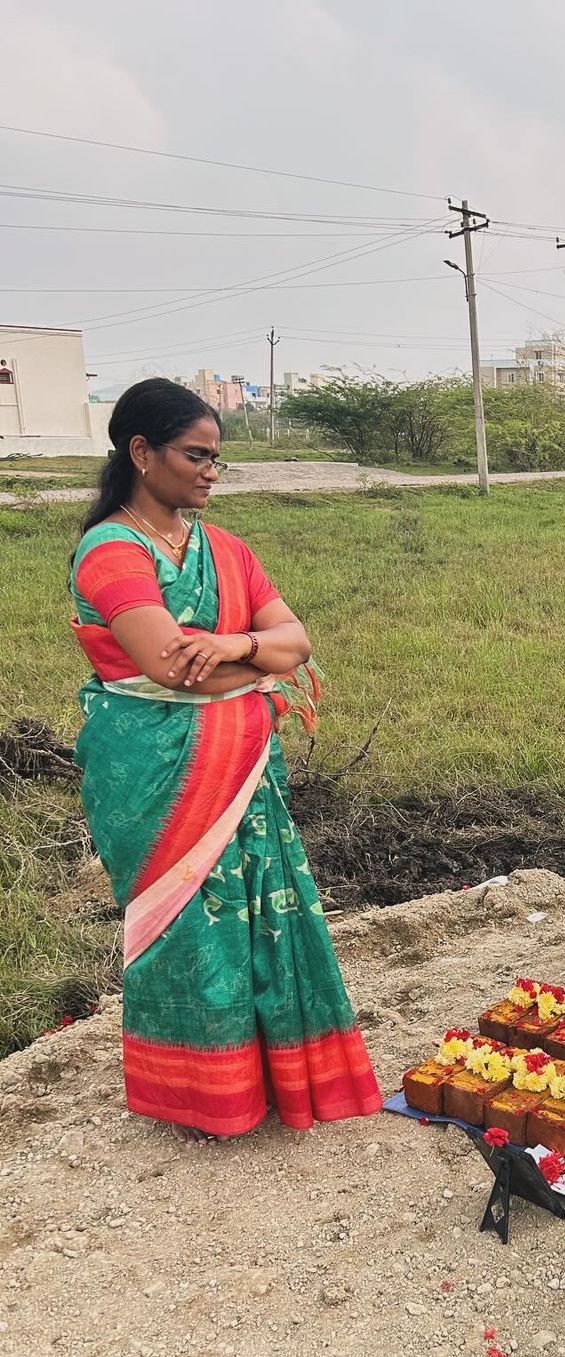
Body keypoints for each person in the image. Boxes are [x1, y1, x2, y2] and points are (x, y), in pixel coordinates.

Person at [68, 378, 383, 1140]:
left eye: (218, 458)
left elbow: (294, 641)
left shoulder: (227, 552)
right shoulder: (110, 552)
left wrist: (234, 646)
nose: (212, 471)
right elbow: (170, 667)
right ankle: (203, 1099)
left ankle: (271, 1081)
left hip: (241, 768)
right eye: (196, 455)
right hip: (158, 776)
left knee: (263, 915)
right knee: (190, 929)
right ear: (141, 453)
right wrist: (260, 666)